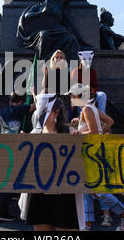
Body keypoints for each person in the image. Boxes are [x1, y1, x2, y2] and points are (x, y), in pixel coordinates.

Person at [70, 84, 124, 231]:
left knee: (97, 190)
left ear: (78, 96)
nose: (70, 98)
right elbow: (110, 122)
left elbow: (93, 133)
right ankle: (87, 225)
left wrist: (79, 133)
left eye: (72, 96)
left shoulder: (87, 109)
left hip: (92, 154)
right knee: (91, 190)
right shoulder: (90, 108)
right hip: (95, 152)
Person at [22, 96, 84, 231]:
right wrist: (20, 144)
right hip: (39, 195)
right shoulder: (35, 133)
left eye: (45, 110)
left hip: (64, 195)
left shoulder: (69, 133)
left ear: (56, 112)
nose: (41, 114)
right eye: (40, 110)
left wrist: (78, 142)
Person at [17, 0, 91, 63]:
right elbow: (27, 16)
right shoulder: (38, 6)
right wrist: (41, 13)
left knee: (72, 39)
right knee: (44, 36)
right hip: (44, 31)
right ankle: (43, 65)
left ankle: (73, 69)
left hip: (59, 31)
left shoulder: (59, 5)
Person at [0, 92, 36, 222]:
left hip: (2, 149)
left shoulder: (3, 111)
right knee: (11, 180)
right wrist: (34, 94)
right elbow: (35, 106)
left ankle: (12, 196)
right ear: (20, 102)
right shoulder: (20, 109)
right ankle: (1, 211)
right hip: (14, 149)